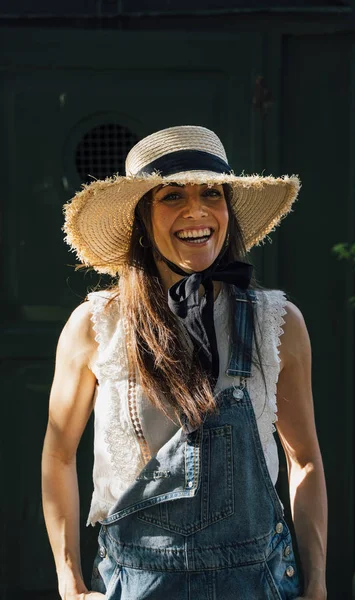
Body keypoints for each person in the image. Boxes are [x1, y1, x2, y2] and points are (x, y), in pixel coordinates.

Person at [42, 125, 327, 600]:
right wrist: (69, 583)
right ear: (141, 220)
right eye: (172, 196)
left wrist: (317, 584)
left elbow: (306, 460)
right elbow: (57, 454)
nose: (196, 210)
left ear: (227, 211)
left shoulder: (276, 323)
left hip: (259, 582)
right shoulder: (97, 326)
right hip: (136, 584)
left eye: (211, 193)